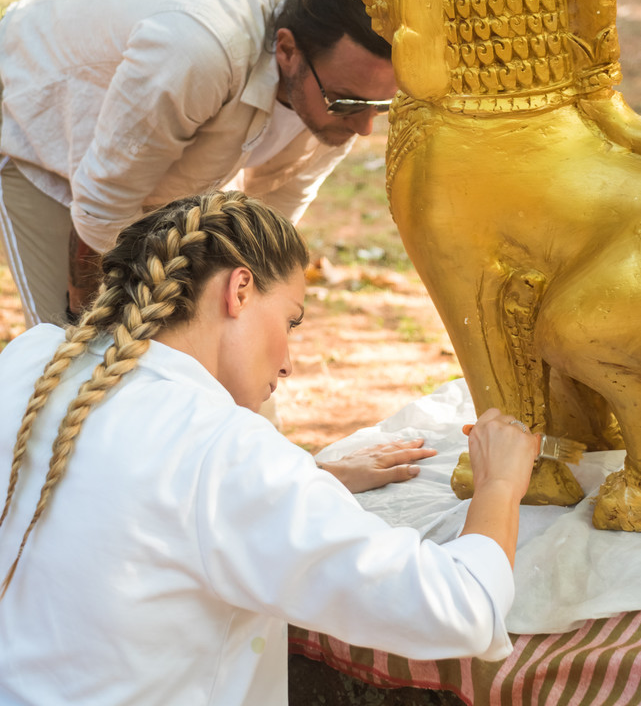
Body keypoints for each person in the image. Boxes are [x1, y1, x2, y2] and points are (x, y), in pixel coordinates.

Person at [0, 190, 538, 706]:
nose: (288, 362)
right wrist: (500, 485)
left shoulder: (33, 358)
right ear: (239, 290)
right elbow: (461, 608)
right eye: (291, 321)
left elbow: (131, 496)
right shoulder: (225, 452)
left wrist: (310, 475)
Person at [0, 0, 396, 328]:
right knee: (77, 367)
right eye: (346, 103)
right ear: (287, 50)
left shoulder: (344, 64)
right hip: (37, 117)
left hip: (151, 155)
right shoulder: (198, 51)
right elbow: (101, 206)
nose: (364, 128)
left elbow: (266, 222)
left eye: (381, 107)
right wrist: (90, 337)